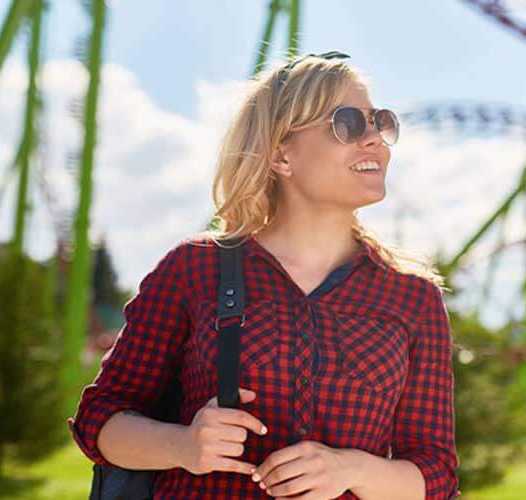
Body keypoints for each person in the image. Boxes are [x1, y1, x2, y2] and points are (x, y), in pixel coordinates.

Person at [68, 51, 461, 499]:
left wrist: (350, 469)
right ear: (281, 155)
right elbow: (100, 418)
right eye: (349, 123)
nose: (375, 140)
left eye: (381, 122)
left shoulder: (413, 298)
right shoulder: (194, 269)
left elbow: (436, 476)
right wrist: (183, 444)